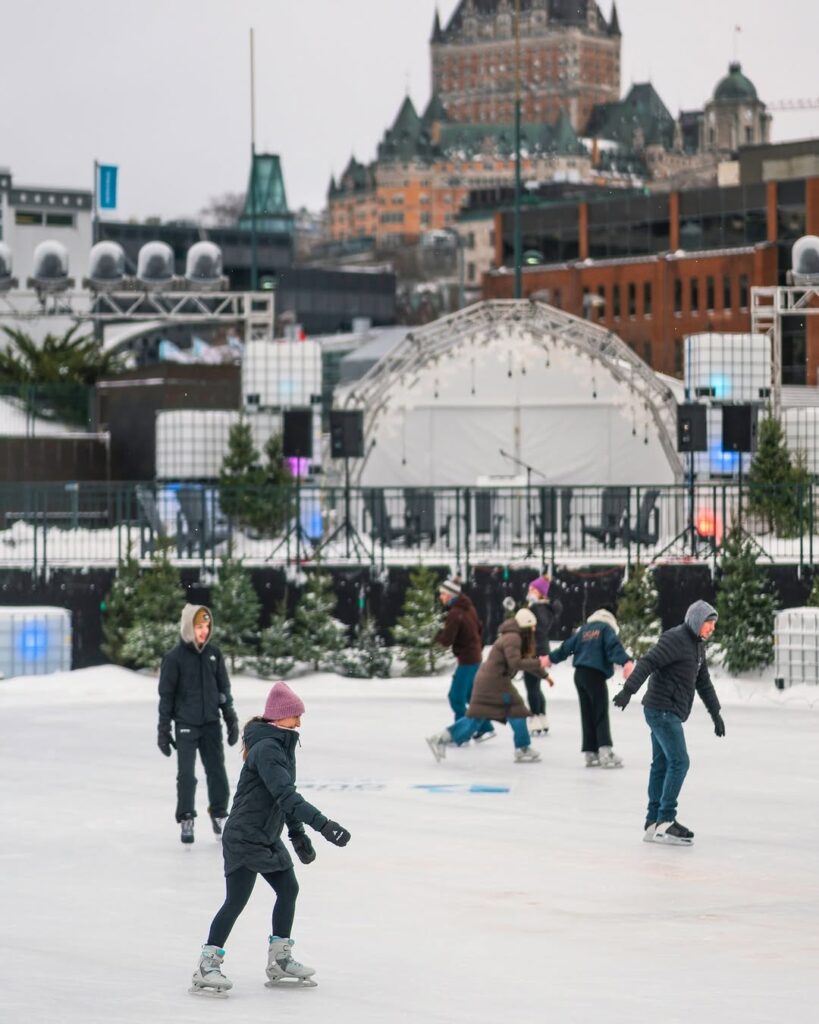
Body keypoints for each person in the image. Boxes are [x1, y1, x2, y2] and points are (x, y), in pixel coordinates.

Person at [190, 681, 352, 996]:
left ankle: (280, 959)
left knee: (288, 889)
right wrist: (324, 825)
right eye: (295, 716)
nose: (300, 722)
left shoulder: (281, 745)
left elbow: (283, 799)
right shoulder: (268, 749)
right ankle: (207, 963)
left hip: (265, 834)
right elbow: (287, 796)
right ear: (280, 718)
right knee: (236, 900)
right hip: (244, 836)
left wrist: (297, 835)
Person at [612, 600, 725, 846]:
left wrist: (715, 714)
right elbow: (648, 662)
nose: (712, 629)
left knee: (662, 763)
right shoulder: (675, 639)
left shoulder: (696, 646)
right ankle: (665, 820)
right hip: (661, 710)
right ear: (697, 621)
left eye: (713, 625)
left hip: (667, 710)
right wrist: (628, 691)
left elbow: (703, 682)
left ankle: (653, 822)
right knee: (679, 761)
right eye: (709, 624)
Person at [158, 604, 239, 845]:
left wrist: (231, 718)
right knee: (186, 775)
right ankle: (186, 818)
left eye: (206, 627)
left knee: (217, 772)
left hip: (211, 724)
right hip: (186, 724)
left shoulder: (214, 655)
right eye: (198, 627)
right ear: (188, 628)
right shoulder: (174, 658)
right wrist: (163, 729)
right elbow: (166, 696)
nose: (203, 631)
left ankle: (219, 814)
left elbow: (223, 690)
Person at [426, 608, 549, 764]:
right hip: (495, 681)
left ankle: (440, 738)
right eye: (533, 626)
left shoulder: (513, 636)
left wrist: (545, 675)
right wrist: (540, 663)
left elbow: (524, 660)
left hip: (488, 680)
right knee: (516, 710)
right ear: (526, 625)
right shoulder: (513, 638)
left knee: (476, 718)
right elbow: (515, 662)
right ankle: (522, 748)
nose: (534, 629)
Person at [546, 608, 634, 768]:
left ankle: (590, 752)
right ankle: (606, 752)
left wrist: (550, 659)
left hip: (579, 675)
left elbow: (566, 647)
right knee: (600, 712)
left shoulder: (583, 630)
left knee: (587, 712)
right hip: (595, 674)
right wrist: (626, 661)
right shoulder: (606, 629)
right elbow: (613, 646)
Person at [435, 577, 494, 742]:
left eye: (442, 594)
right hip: (474, 656)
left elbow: (447, 639)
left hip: (468, 660)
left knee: (456, 697)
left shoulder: (455, 613)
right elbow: (480, 628)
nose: (441, 597)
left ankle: (460, 733)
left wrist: (436, 636)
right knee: (470, 695)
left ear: (450, 595)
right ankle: (485, 728)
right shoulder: (469, 608)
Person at [524, 575, 563, 735]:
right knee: (535, 686)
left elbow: (535, 629)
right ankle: (541, 716)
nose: (529, 592)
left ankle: (535, 718)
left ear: (540, 593)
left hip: (534, 651)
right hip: (541, 651)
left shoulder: (537, 608)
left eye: (533, 589)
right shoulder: (545, 608)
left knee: (531, 685)